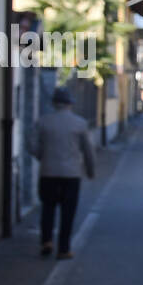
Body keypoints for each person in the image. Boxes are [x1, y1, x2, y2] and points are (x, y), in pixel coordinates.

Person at [29, 86, 95, 259]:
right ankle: (64, 249)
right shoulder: (80, 124)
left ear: (54, 104)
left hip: (48, 173)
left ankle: (47, 241)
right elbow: (88, 151)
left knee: (48, 209)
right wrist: (90, 170)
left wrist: (42, 156)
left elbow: (32, 145)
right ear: (69, 104)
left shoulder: (43, 122)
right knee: (68, 212)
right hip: (71, 174)